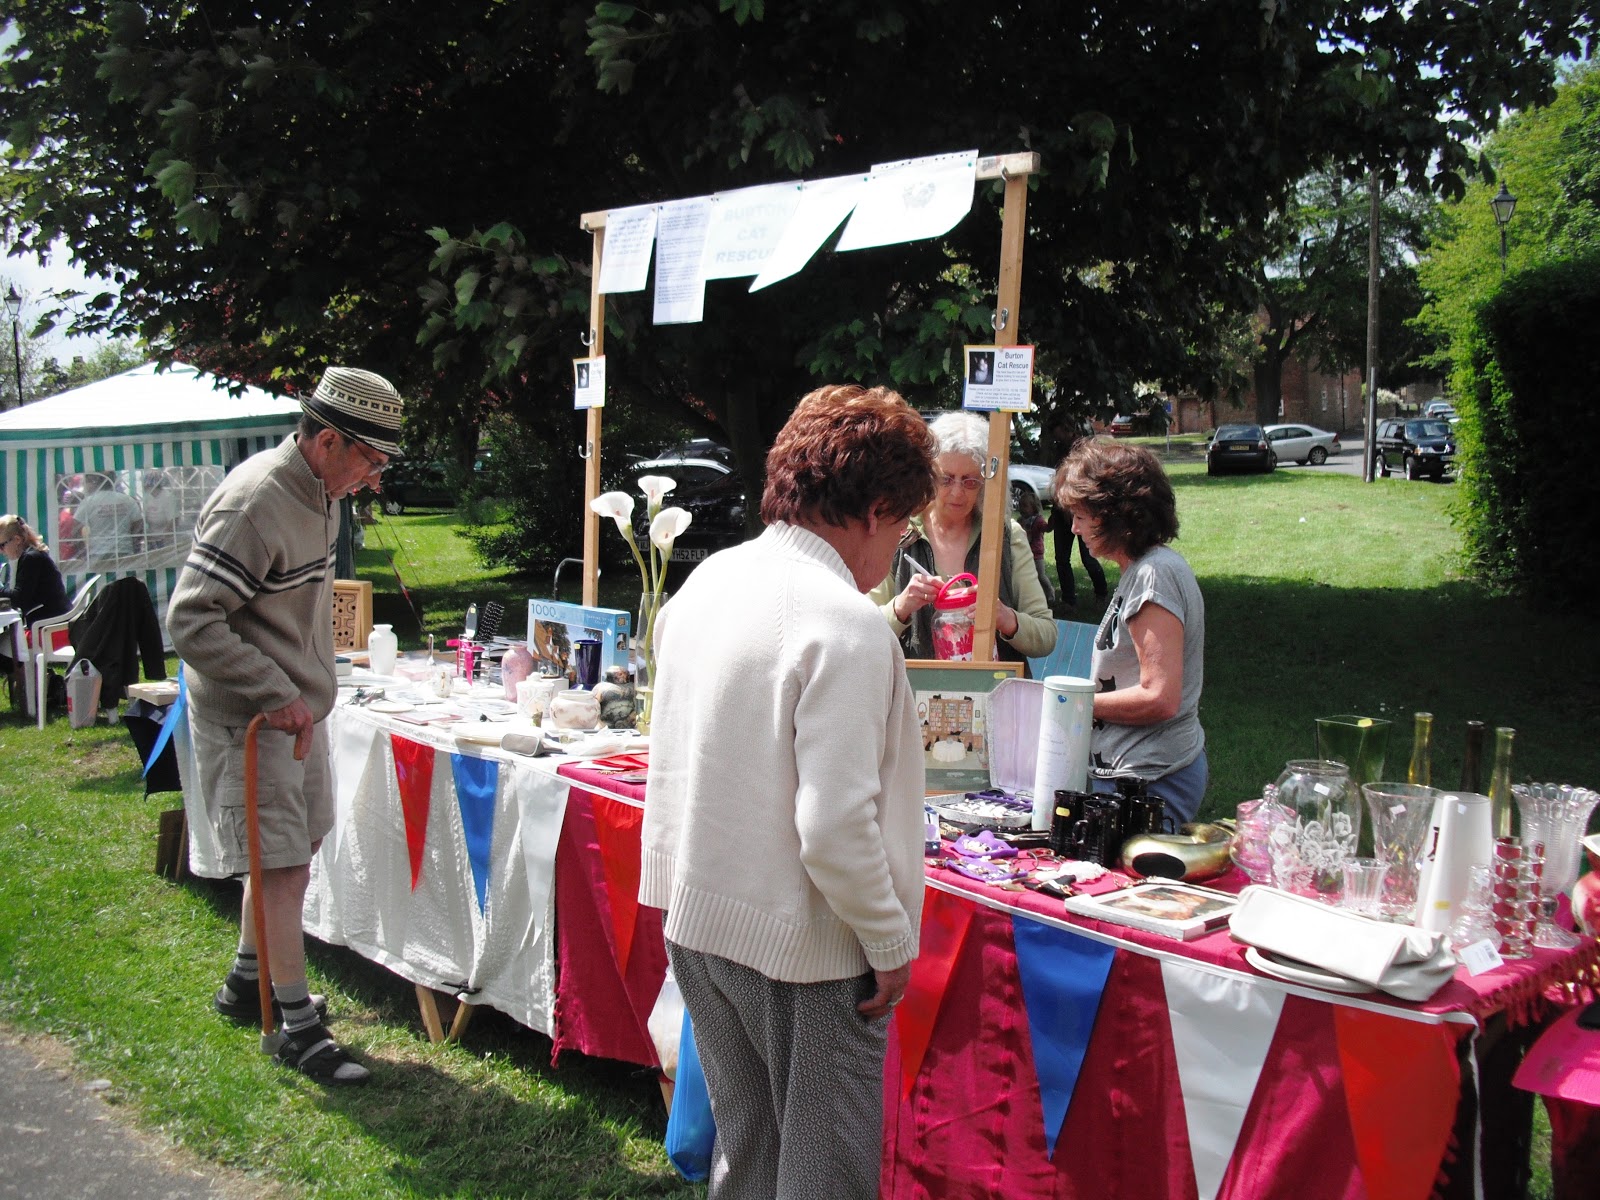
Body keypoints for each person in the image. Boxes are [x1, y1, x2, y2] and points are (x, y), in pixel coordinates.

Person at [640, 383, 937, 1199]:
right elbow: (836, 825)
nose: (900, 546)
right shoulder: (844, 622)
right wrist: (889, 941)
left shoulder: (707, 583)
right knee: (822, 1179)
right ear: (876, 509)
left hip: (702, 919)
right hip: (807, 947)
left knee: (750, 1159)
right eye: (904, 524)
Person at [167, 365, 404, 1086]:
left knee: (293, 848)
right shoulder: (257, 500)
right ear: (327, 440)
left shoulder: (320, 495)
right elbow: (189, 620)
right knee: (282, 864)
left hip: (295, 712)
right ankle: (295, 1027)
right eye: (369, 459)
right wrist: (276, 691)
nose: (372, 478)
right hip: (252, 716)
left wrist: (310, 686)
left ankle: (247, 983)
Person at [1053, 439, 1207, 827]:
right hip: (1136, 776)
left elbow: (1160, 698)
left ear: (1114, 514)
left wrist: (1069, 701)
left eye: (1081, 516)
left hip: (1151, 781)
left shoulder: (1153, 576)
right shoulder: (1144, 569)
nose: (1073, 528)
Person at [871, 409, 1056, 668]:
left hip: (993, 696)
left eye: (970, 481)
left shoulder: (1006, 535)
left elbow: (1046, 636)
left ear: (986, 483)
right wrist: (900, 608)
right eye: (946, 479)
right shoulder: (899, 531)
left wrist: (1005, 619)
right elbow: (862, 631)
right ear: (927, 475)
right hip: (916, 698)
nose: (957, 493)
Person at [1, 515, 70, 701]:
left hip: (51, 629)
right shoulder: (31, 556)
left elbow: (18, 598)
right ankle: (33, 686)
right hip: (50, 623)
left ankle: (33, 690)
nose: (2, 551)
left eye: (2, 545)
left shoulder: (32, 559)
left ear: (16, 540)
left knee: (2, 647)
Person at [72, 471, 144, 567]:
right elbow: (139, 526)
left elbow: (75, 528)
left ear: (96, 482)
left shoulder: (89, 502)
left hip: (97, 552)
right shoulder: (127, 500)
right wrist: (134, 544)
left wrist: (82, 551)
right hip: (124, 550)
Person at [1012, 487, 1057, 607]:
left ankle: (1050, 592)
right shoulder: (1020, 520)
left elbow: (1047, 529)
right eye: (1021, 506)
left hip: (1037, 553)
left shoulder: (1038, 520)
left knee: (1040, 575)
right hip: (1024, 552)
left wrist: (1053, 519)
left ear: (1034, 507)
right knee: (1026, 576)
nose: (1022, 509)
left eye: (1025, 506)